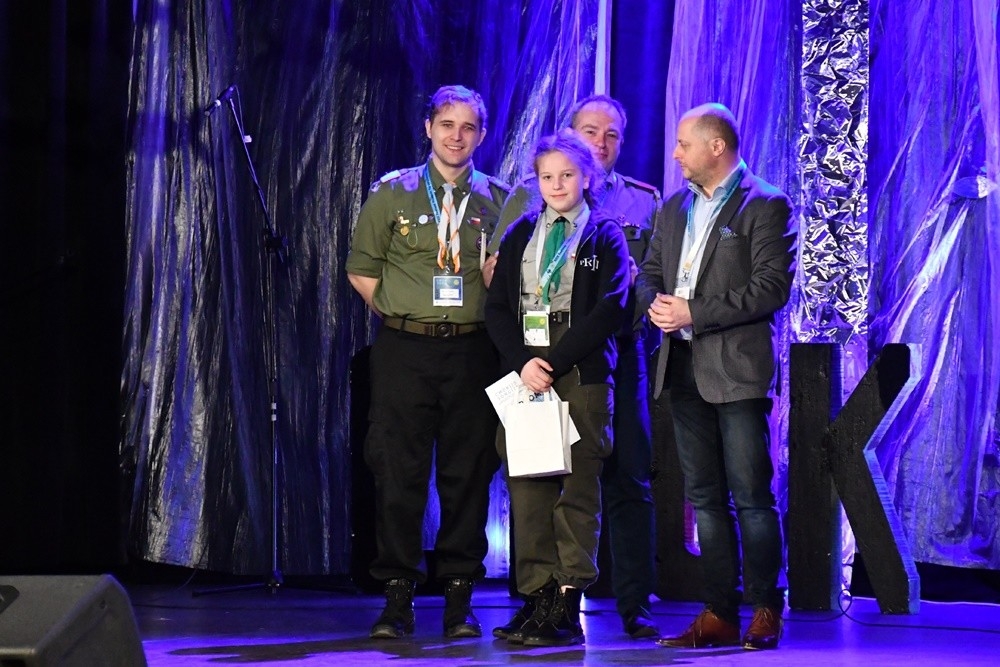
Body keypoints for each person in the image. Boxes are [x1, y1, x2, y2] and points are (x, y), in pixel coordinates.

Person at [486, 94, 662, 639]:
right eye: (547, 177)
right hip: (527, 371)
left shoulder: (604, 233)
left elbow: (609, 308)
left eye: (567, 175)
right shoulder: (520, 232)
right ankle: (536, 595)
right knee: (528, 489)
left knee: (576, 489)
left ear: (587, 178)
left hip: (579, 370)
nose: (557, 185)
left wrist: (554, 361)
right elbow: (497, 308)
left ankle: (567, 600)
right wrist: (524, 364)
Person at [345, 85, 510, 640]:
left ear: (481, 135)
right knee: (399, 470)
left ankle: (460, 597)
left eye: (467, 127)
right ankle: (398, 596)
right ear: (428, 128)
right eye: (446, 125)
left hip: (472, 349)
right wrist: (402, 311)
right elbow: (361, 269)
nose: (456, 136)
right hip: (405, 349)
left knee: (469, 471)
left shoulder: (498, 201)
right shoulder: (393, 193)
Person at [636, 103, 795, 651]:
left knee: (751, 496)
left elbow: (770, 288)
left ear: (716, 147)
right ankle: (719, 612)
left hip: (737, 370)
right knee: (704, 499)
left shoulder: (766, 204)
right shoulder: (674, 206)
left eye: (684, 144)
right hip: (681, 366)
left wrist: (694, 312)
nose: (676, 153)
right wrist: (656, 305)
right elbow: (649, 271)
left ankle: (765, 608)